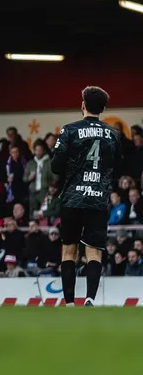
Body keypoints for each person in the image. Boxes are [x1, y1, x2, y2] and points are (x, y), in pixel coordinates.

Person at [52, 86, 122, 306]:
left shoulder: (70, 130)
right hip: (98, 199)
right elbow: (118, 166)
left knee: (69, 251)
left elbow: (55, 166)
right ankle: (90, 298)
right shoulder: (113, 134)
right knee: (94, 252)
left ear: (83, 104)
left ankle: (69, 303)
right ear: (102, 108)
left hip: (72, 199)